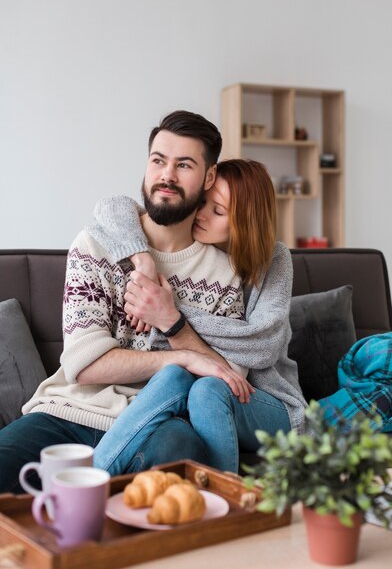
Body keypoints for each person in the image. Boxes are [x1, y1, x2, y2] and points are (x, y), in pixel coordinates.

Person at [0, 110, 253, 493]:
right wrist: (181, 357)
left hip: (156, 421)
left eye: (184, 164)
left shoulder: (225, 274)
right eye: (158, 161)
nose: (166, 175)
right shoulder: (95, 246)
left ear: (209, 176)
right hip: (68, 413)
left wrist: (173, 324)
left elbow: (228, 378)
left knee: (179, 450)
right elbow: (84, 365)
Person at [89, 158, 306, 475]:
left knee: (208, 389)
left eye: (217, 212)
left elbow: (264, 345)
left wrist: (170, 313)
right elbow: (112, 206)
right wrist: (143, 260)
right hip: (204, 390)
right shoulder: (195, 254)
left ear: (245, 222)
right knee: (175, 376)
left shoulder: (273, 259)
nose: (201, 215)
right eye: (203, 202)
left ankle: (226, 503)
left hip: (268, 403)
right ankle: (91, 479)